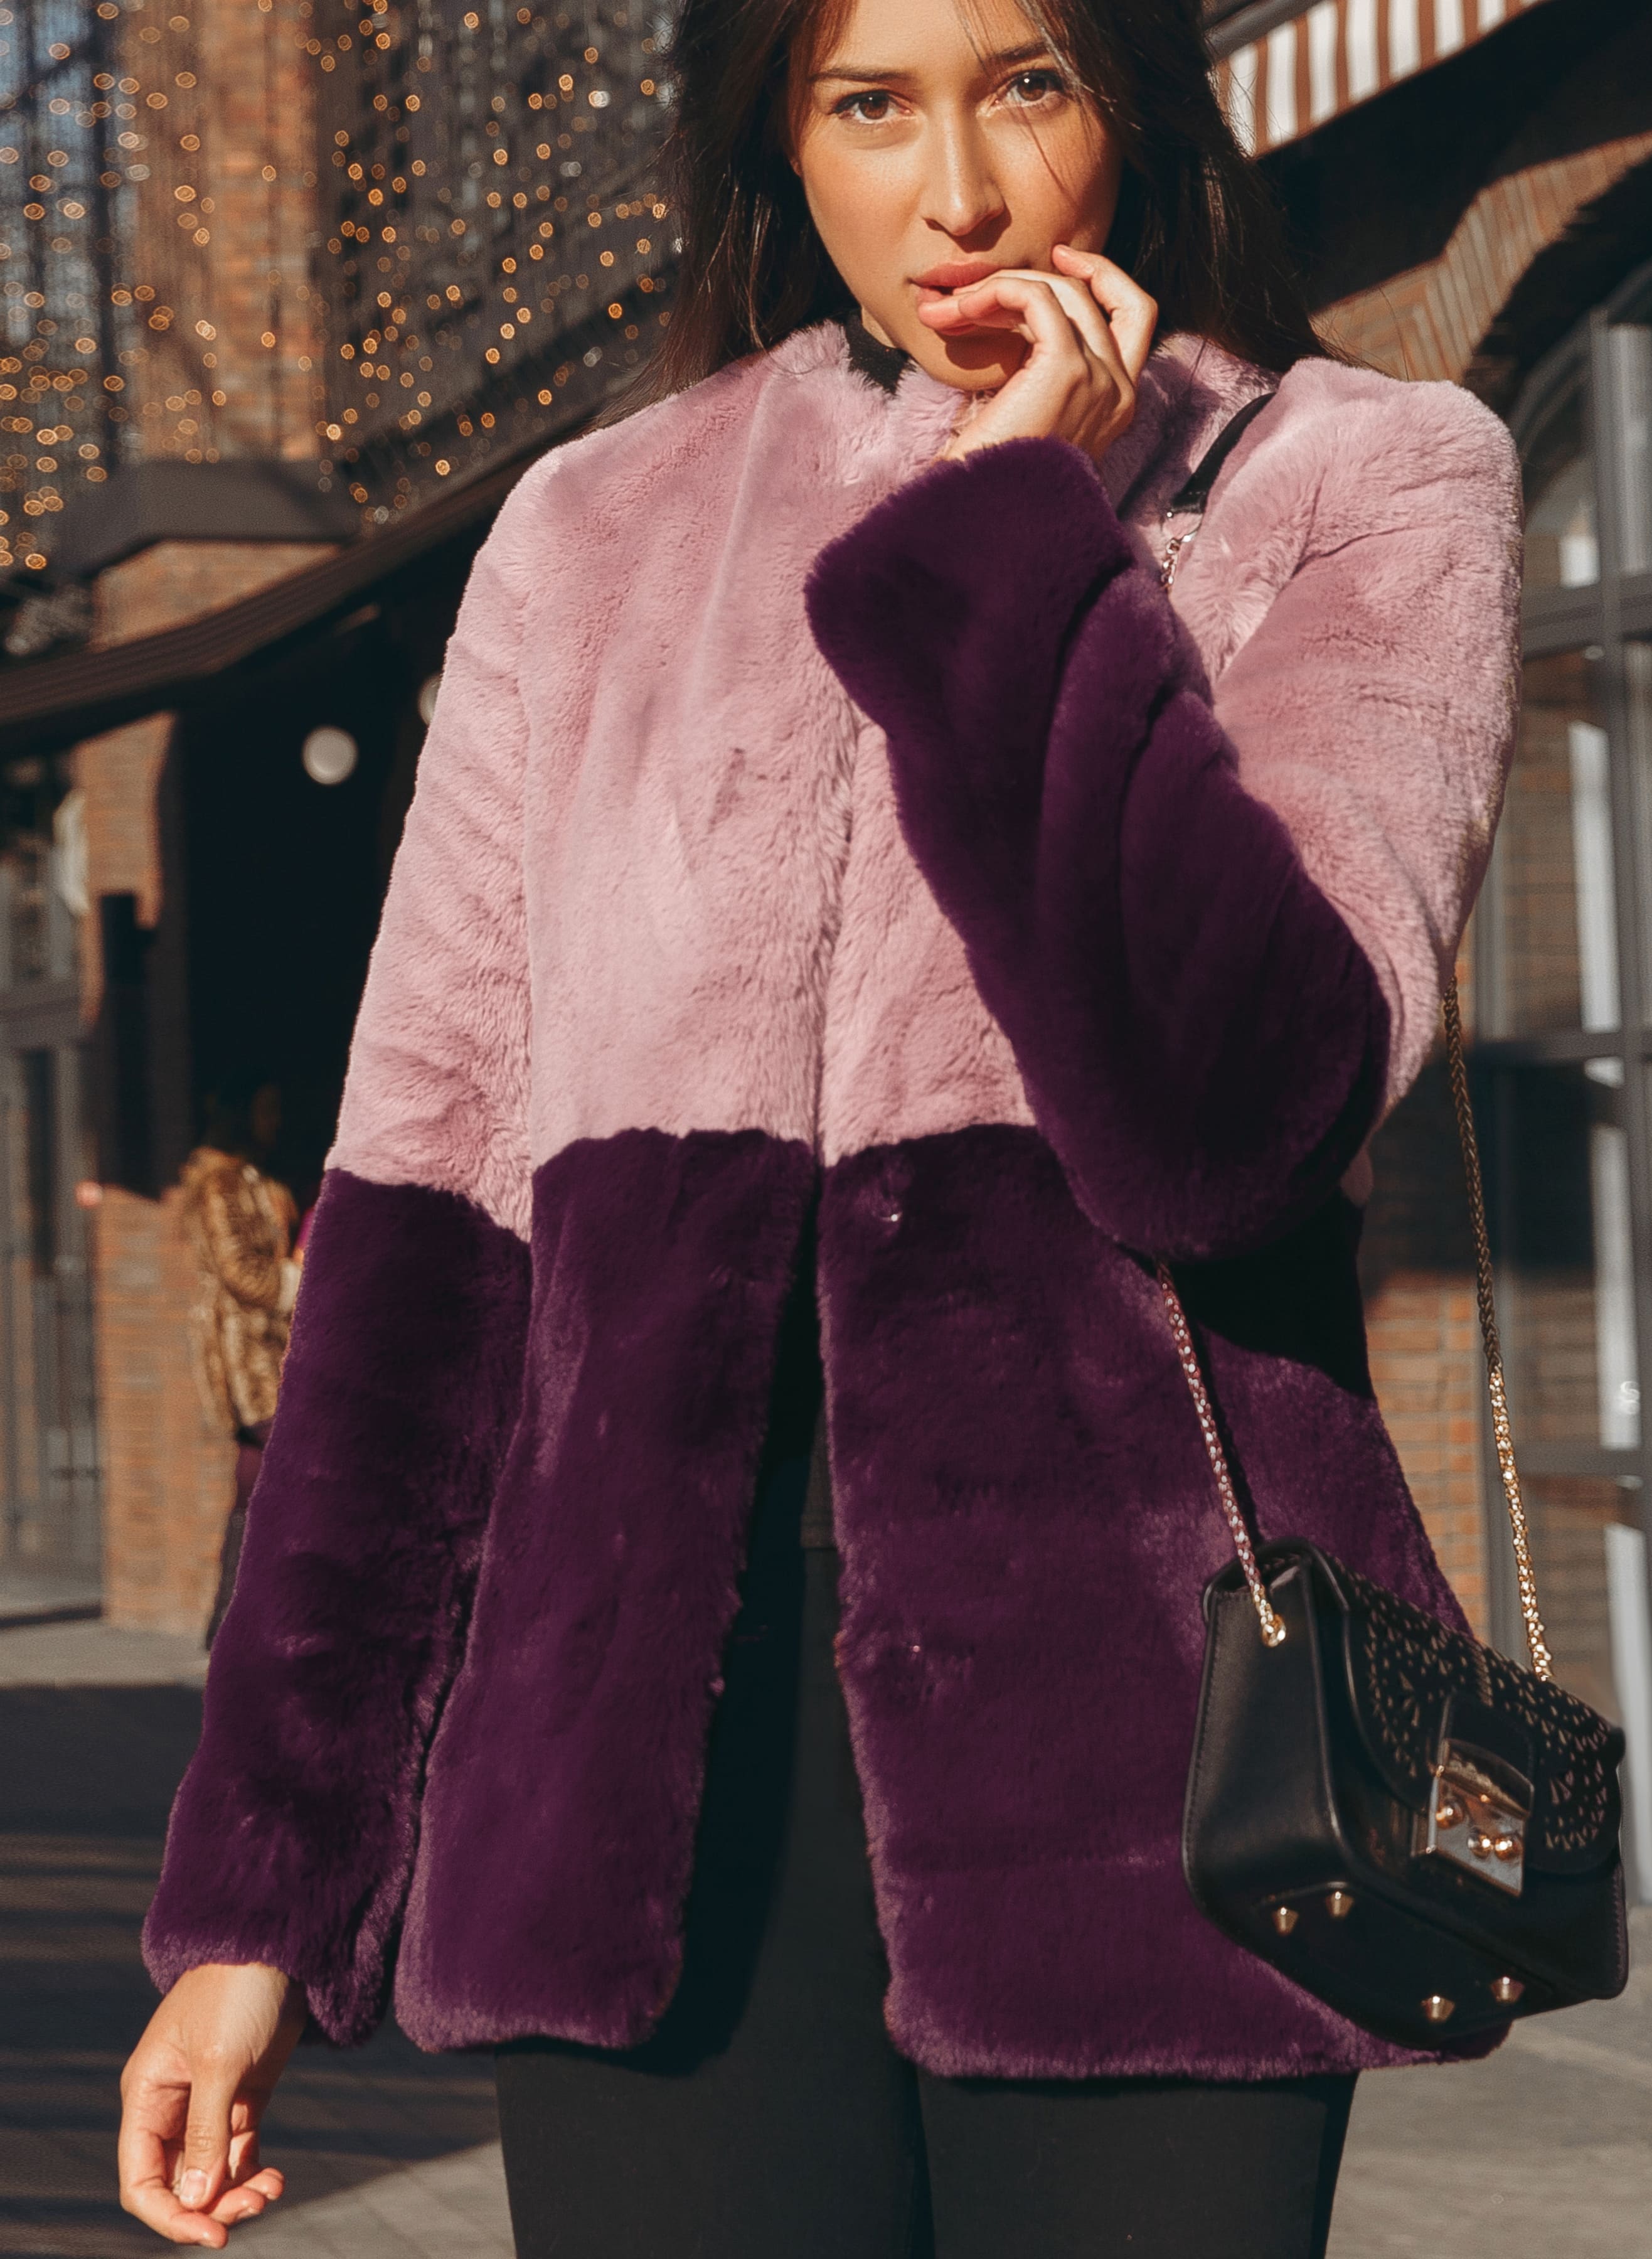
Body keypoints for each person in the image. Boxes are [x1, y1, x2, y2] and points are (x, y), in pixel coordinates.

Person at [117, 0, 1522, 2249]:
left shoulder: (1359, 478)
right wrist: (257, 1908)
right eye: (871, 105)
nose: (957, 194)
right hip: (633, 1816)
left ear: (1134, 105)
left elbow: (1223, 1128)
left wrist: (1019, 543)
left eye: (1026, 86)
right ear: (782, 141)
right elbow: (420, 1254)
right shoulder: (591, 534)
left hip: (1166, 1787)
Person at [178, 1080, 300, 1649]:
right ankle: (239, 1623)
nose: (275, 1120)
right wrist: (302, 1282)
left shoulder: (255, 1177)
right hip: (246, 1356)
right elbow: (240, 1272)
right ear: (242, 1113)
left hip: (269, 1348)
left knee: (253, 1487)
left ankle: (228, 1625)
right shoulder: (220, 1183)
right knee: (281, 1474)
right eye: (266, 1109)